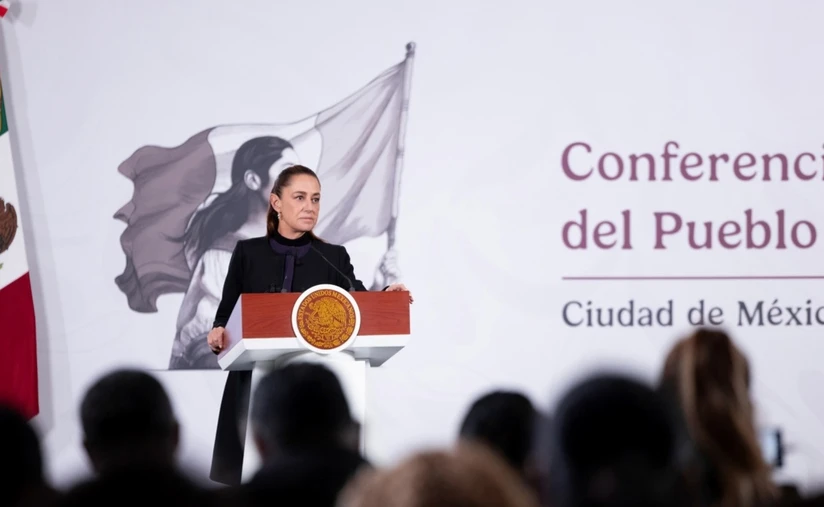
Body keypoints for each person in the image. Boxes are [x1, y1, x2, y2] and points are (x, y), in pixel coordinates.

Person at [207, 163, 412, 485]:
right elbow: (227, 310)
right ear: (276, 203)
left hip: (317, 379)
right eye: (300, 197)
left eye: (315, 199)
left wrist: (388, 295)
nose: (309, 207)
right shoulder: (248, 253)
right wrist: (219, 330)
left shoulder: (333, 255)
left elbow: (357, 301)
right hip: (255, 374)